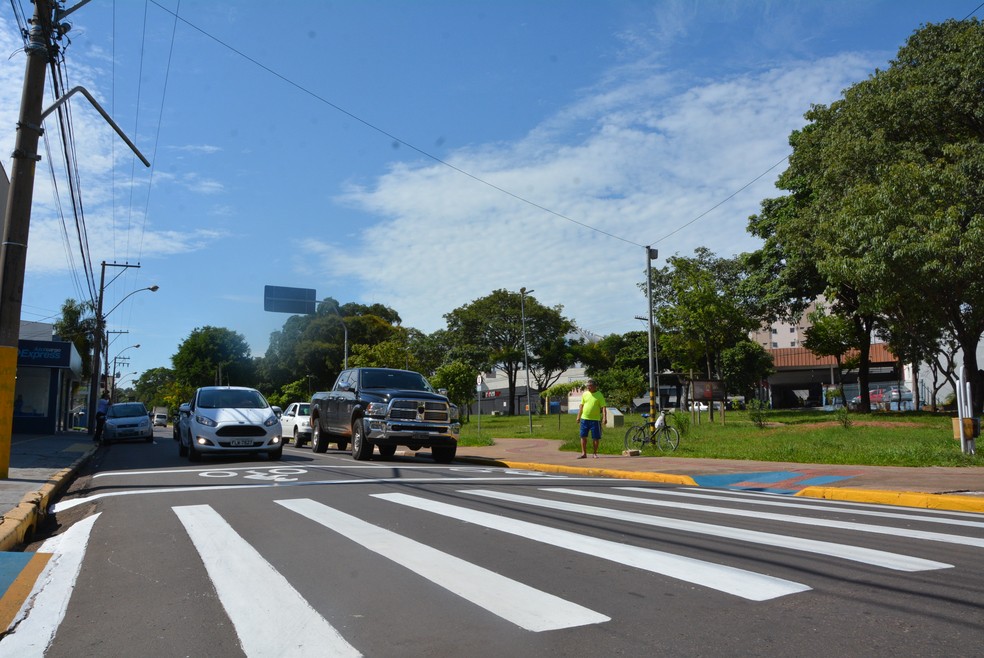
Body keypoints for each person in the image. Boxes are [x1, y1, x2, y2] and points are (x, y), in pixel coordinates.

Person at [575, 378, 607, 459]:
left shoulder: (599, 395)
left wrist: (604, 417)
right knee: (583, 436)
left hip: (595, 420)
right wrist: (578, 416)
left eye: (590, 386)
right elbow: (581, 406)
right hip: (584, 419)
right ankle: (584, 453)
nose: (588, 388)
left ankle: (595, 453)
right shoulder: (585, 394)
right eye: (588, 386)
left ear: (595, 386)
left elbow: (603, 407)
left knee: (596, 437)